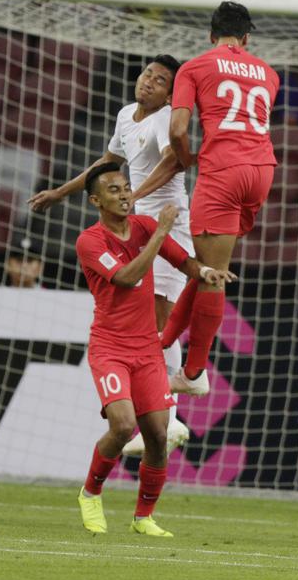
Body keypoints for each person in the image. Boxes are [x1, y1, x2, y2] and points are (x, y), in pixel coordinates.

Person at [29, 55, 195, 452]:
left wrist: (132, 195)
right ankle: (181, 393)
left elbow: (177, 160)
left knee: (158, 319)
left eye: (160, 80)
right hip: (139, 227)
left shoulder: (166, 119)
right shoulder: (126, 116)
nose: (149, 82)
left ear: (171, 93)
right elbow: (107, 164)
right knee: (150, 319)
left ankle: (173, 411)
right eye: (147, 75)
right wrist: (60, 193)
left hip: (170, 222)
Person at [73, 162, 234, 537]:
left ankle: (143, 516)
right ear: (96, 200)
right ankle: (91, 492)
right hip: (110, 347)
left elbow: (182, 259)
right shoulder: (90, 241)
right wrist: (161, 231)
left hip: (147, 349)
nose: (125, 194)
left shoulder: (145, 228)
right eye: (114, 190)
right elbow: (127, 278)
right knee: (124, 424)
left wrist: (204, 273)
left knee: (159, 437)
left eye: (127, 187)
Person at [128, 2, 280, 396]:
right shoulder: (269, 74)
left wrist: (188, 157)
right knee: (211, 266)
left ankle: (193, 375)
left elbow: (178, 128)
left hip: (222, 172)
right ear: (247, 38)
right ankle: (162, 344)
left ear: (211, 35)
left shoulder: (195, 67)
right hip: (262, 171)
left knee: (211, 275)